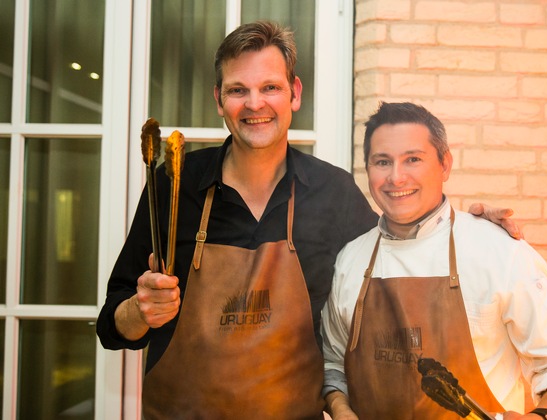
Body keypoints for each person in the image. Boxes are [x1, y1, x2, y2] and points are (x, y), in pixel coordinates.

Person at [96, 22, 518, 419]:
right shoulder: (176, 185)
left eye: (270, 87)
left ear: (294, 94)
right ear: (219, 99)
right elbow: (112, 326)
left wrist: (466, 225)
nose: (255, 103)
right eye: (238, 89)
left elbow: (399, 249)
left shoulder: (331, 192)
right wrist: (140, 311)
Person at [321, 102, 547, 420]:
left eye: (413, 159)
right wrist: (340, 408)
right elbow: (333, 364)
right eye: (382, 162)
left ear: (445, 165)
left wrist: (543, 418)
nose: (396, 177)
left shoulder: (499, 251)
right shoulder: (351, 259)